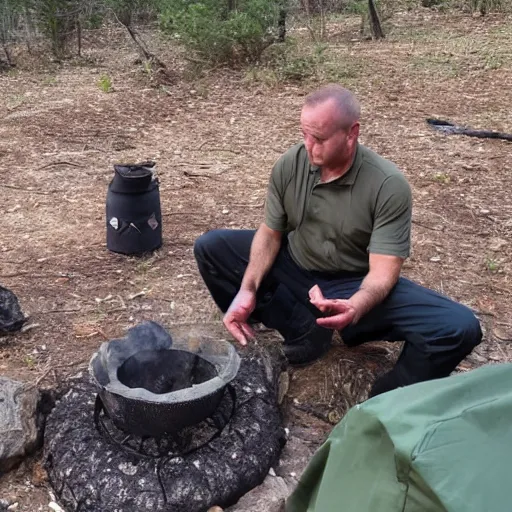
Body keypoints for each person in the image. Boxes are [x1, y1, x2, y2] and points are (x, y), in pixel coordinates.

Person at [194, 84, 482, 397]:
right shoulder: (290, 165)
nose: (308, 146)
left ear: (351, 133)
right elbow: (270, 232)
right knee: (211, 248)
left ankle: (386, 400)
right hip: (296, 262)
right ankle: (302, 330)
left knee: (458, 327)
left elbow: (384, 273)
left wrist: (355, 306)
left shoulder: (386, 185)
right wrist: (247, 290)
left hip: (352, 283)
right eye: (304, 133)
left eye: (318, 138)